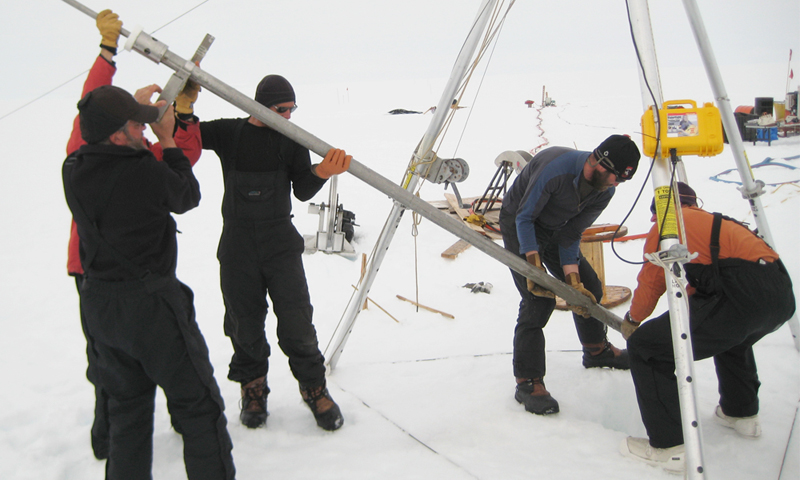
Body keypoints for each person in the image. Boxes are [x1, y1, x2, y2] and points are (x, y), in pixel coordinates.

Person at [62, 84, 234, 480]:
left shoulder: (73, 169)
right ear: (117, 135)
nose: (144, 132)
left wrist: (135, 110)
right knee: (198, 408)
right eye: (136, 127)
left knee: (127, 415)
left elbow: (99, 134)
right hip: (151, 308)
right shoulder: (142, 171)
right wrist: (169, 138)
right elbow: (187, 195)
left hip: (101, 307)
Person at [64, 9, 203, 460]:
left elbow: (180, 167)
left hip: (129, 276)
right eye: (134, 123)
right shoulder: (99, 153)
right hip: (96, 271)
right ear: (116, 131)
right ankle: (109, 437)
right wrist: (107, 56)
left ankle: (137, 432)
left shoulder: (91, 164)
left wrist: (178, 115)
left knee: (124, 366)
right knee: (110, 367)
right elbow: (91, 107)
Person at [199, 75, 350, 431]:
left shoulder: (291, 140)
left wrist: (321, 171)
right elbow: (184, 135)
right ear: (259, 106)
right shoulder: (229, 133)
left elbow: (301, 189)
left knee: (297, 323)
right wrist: (184, 105)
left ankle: (314, 389)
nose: (288, 115)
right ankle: (253, 390)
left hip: (280, 243)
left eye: (292, 109)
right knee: (243, 323)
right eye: (281, 109)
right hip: (237, 246)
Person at [619, 182, 795, 474]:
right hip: (778, 297)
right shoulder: (714, 223)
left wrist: (634, 321)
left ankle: (669, 448)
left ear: (657, 212)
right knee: (733, 338)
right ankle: (742, 414)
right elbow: (707, 286)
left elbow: (652, 281)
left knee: (647, 348)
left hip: (740, 299)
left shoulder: (669, 224)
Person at [498, 134, 641, 415]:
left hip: (554, 229)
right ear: (600, 162)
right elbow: (525, 218)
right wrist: (534, 266)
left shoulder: (605, 191)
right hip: (519, 223)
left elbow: (571, 234)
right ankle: (527, 382)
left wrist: (572, 279)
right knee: (537, 299)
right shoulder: (556, 169)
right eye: (616, 177)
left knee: (590, 288)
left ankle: (596, 350)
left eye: (622, 181)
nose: (616, 184)